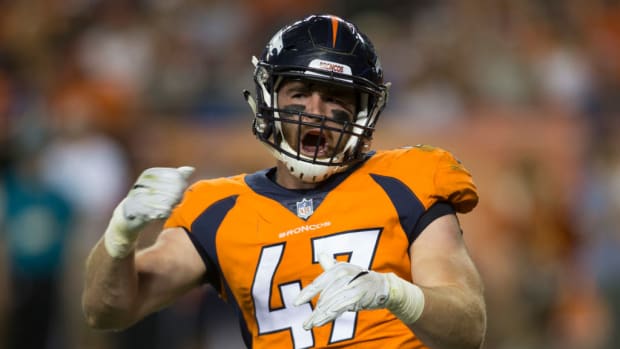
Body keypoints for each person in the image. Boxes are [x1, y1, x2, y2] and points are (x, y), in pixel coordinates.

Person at [82, 14, 486, 349]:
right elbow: (107, 310)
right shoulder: (217, 208)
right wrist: (120, 234)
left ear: (364, 111)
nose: (315, 111)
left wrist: (394, 293)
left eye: (335, 97)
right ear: (269, 99)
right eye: (300, 92)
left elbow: (468, 328)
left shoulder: (409, 181)